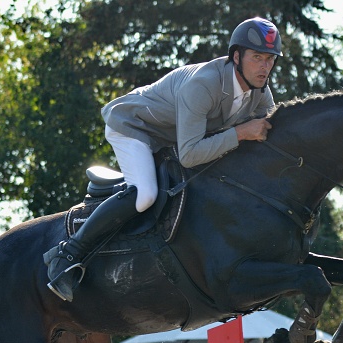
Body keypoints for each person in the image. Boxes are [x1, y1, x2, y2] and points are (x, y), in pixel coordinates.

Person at [44, 17, 282, 301]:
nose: (265, 67)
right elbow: (191, 154)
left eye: (270, 59)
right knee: (145, 194)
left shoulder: (260, 91)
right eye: (257, 58)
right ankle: (66, 255)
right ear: (236, 56)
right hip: (134, 126)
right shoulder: (204, 84)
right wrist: (241, 132)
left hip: (169, 138)